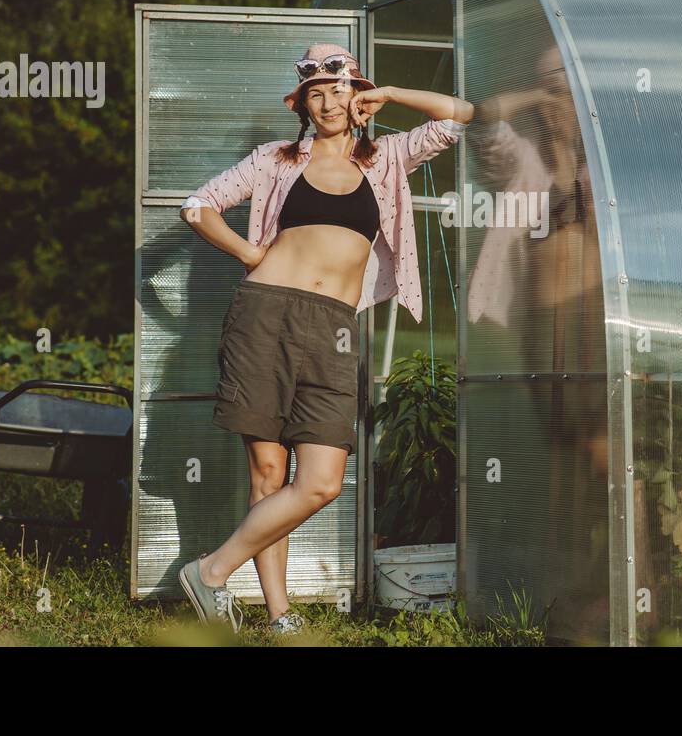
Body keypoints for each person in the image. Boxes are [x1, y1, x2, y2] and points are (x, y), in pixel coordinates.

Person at [176, 42, 474, 634]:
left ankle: (210, 571)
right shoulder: (275, 160)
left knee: (321, 482)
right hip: (264, 314)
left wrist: (388, 95)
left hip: (335, 326)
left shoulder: (386, 158)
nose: (329, 101)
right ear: (303, 105)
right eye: (316, 93)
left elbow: (459, 115)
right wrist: (250, 252)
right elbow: (198, 206)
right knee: (268, 472)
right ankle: (279, 616)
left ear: (357, 95)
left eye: (340, 90)